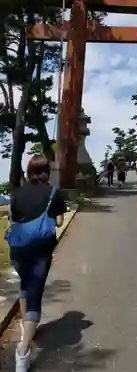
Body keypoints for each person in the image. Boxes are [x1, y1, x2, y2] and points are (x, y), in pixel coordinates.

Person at [7, 155, 67, 371]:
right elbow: (59, 222)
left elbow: (12, 218)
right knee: (34, 293)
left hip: (17, 250)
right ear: (46, 172)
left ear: (29, 171)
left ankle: (26, 327)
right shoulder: (53, 193)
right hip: (40, 251)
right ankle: (23, 352)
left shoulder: (16, 192)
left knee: (25, 285)